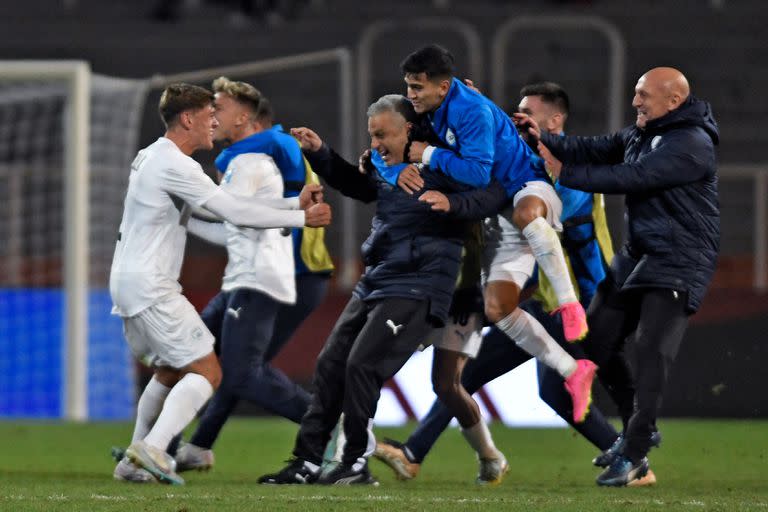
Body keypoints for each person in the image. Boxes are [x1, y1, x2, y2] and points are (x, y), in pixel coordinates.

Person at [375, 82, 654, 487]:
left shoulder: (567, 170)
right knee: (549, 391)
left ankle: (414, 452)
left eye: (528, 110)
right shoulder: (528, 162)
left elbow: (543, 212)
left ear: (555, 120)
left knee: (473, 372)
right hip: (544, 300)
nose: (518, 115)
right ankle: (630, 457)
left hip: (585, 300)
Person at [257, 94, 510, 485]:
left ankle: (355, 461)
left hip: (422, 283)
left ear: (407, 130)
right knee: (330, 364)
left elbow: (493, 191)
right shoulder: (384, 163)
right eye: (371, 135)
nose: (374, 143)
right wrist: (322, 153)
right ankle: (307, 461)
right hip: (379, 277)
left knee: (363, 366)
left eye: (381, 135)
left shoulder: (444, 160)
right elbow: (359, 187)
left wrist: (452, 203)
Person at [110, 83, 331, 485]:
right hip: (152, 286)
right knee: (209, 372)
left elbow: (220, 211)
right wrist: (301, 218)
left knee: (169, 372)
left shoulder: (153, 157)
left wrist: (289, 204)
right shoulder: (177, 165)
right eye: (208, 114)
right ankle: (155, 448)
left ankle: (131, 461)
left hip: (128, 282)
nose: (214, 121)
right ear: (188, 119)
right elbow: (232, 211)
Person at [529, 67, 719, 486]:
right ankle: (640, 430)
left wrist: (564, 173)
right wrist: (539, 137)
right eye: (635, 93)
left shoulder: (690, 143)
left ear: (673, 101)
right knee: (595, 341)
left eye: (643, 95)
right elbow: (594, 147)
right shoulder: (643, 132)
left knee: (652, 351)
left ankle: (633, 452)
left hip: (679, 259)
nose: (635, 102)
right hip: (637, 256)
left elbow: (630, 177)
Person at [399, 45, 597, 428]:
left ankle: (570, 306)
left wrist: (425, 155)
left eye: (417, 87)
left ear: (442, 87)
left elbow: (475, 173)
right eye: (408, 86)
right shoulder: (439, 107)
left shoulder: (468, 110)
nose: (411, 94)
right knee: (498, 308)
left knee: (528, 213)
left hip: (527, 185)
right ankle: (573, 370)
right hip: (500, 216)